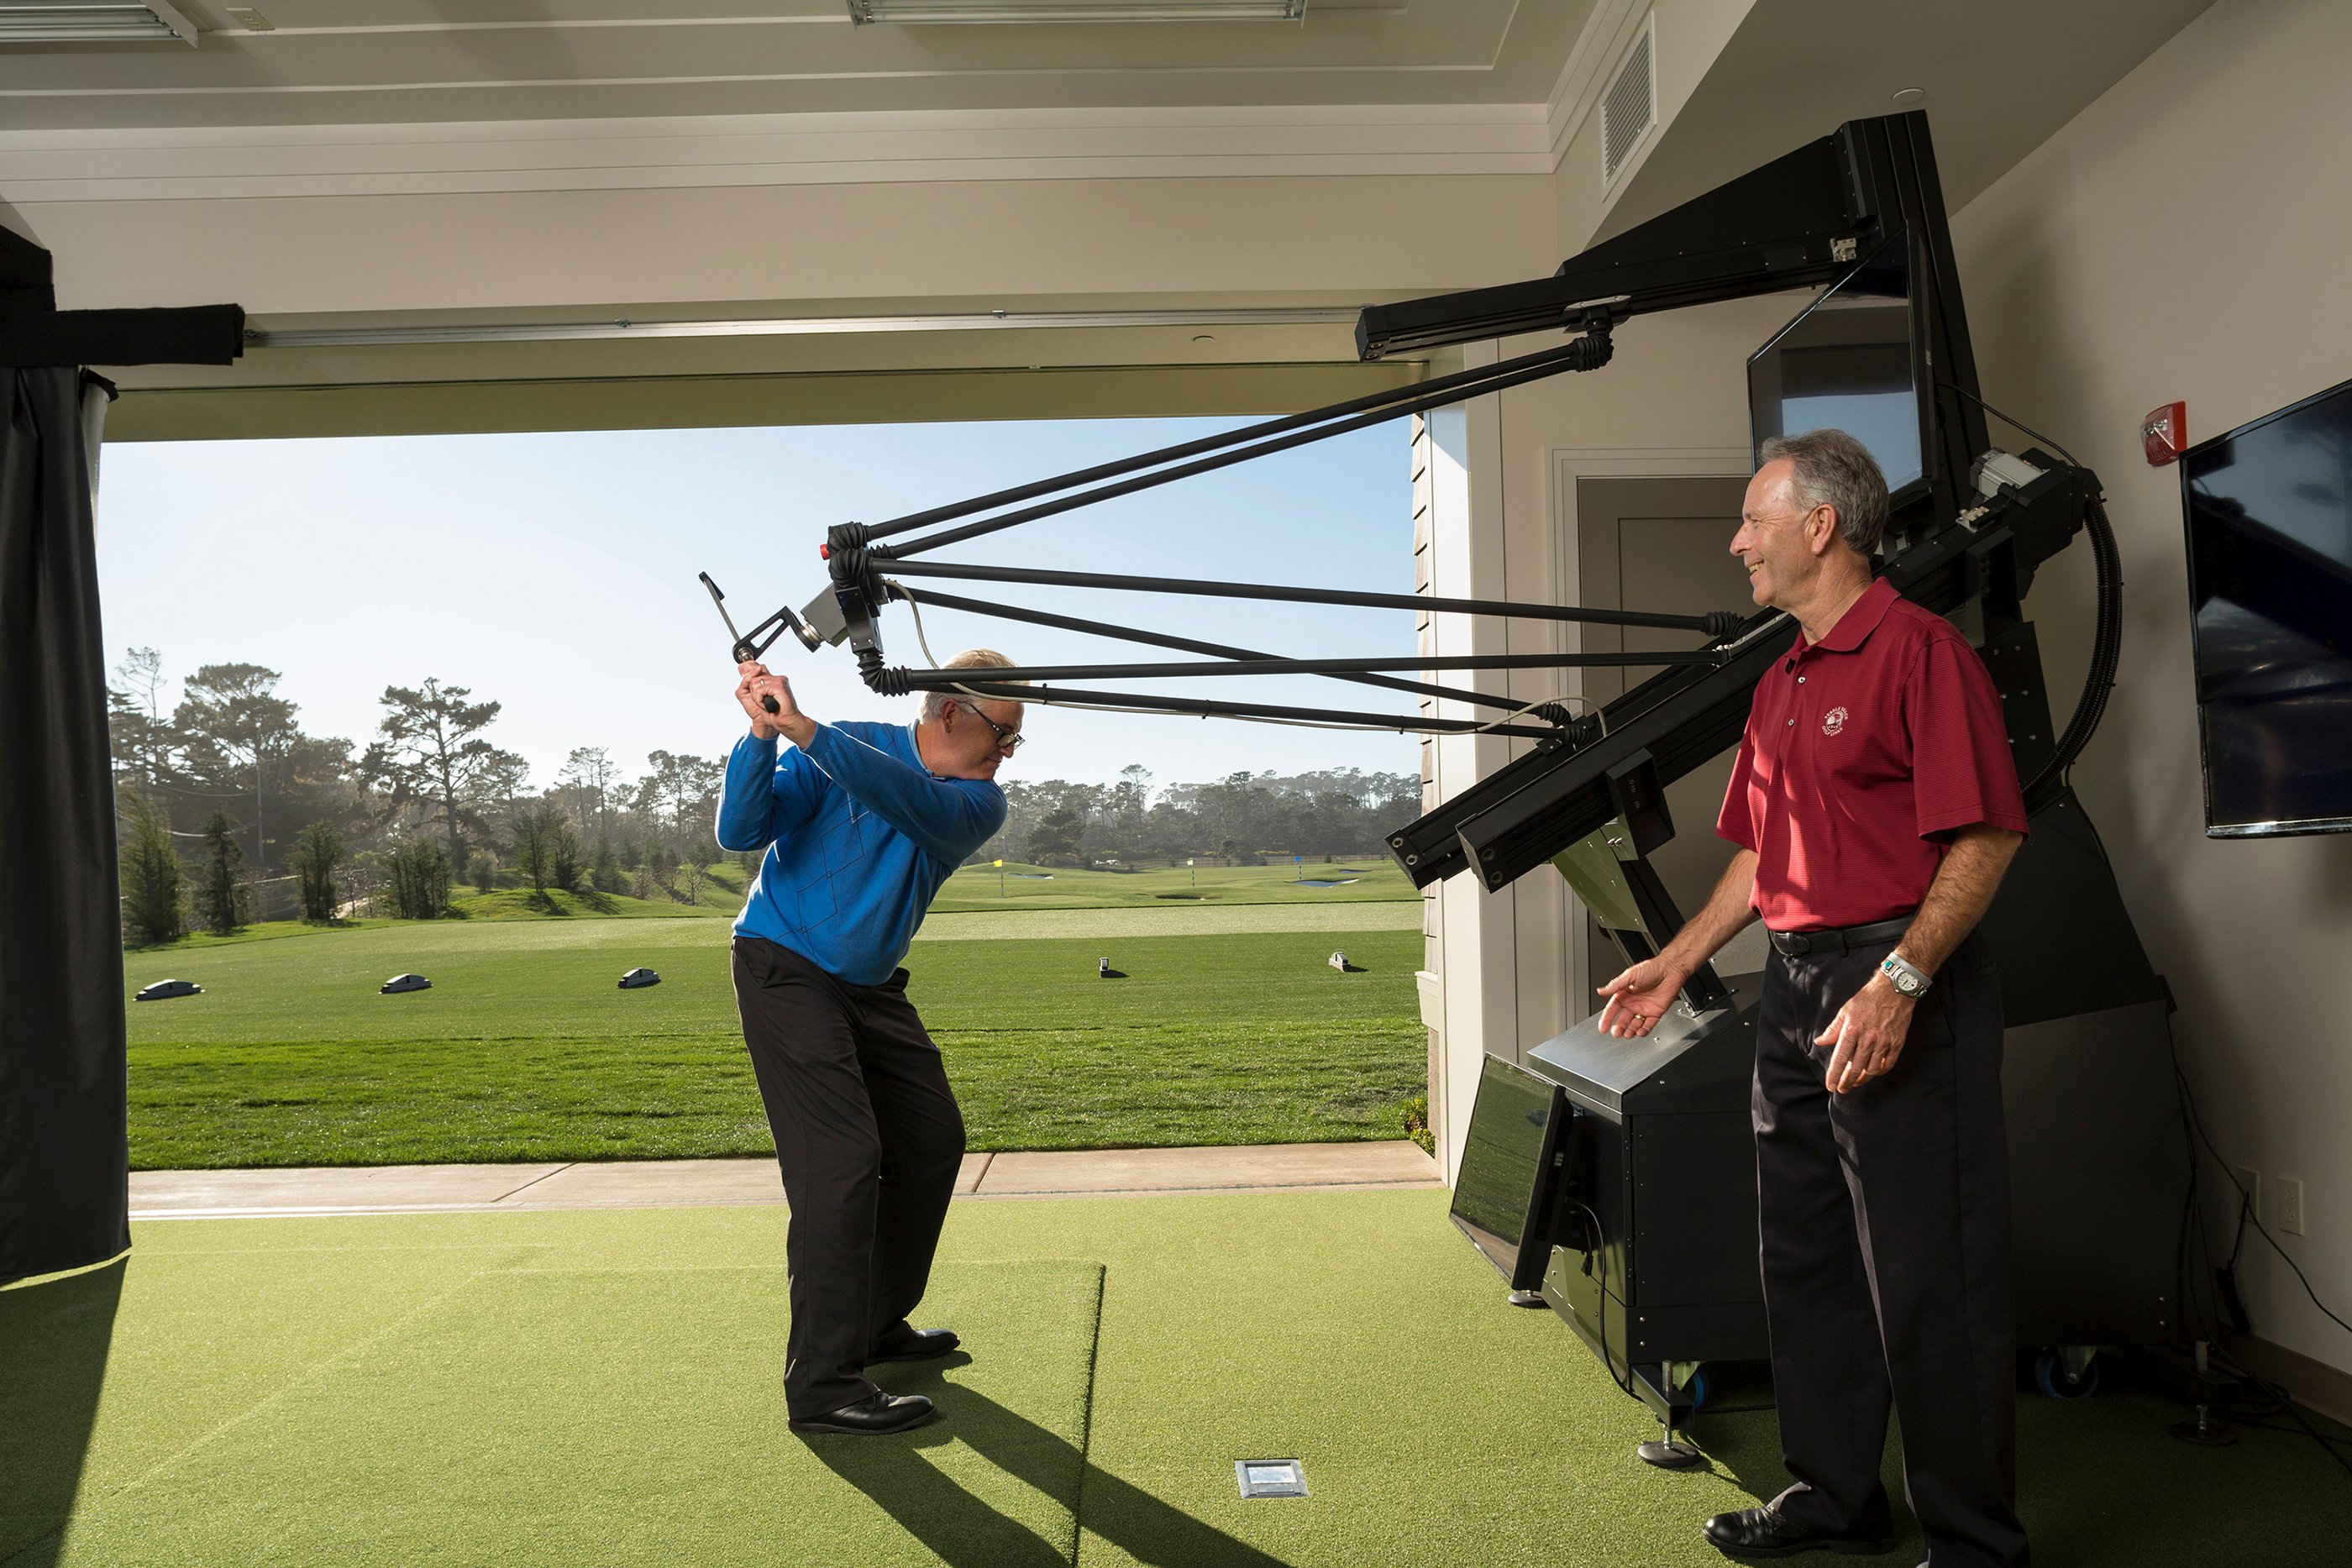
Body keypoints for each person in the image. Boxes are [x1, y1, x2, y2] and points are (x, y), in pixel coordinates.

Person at [1595, 429, 2031, 1568]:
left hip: (1894, 979)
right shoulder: (1781, 674)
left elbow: (1984, 833)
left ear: (1821, 525)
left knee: (1928, 1268)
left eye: (1754, 518)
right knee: (1806, 1256)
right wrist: (1682, 955)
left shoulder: (1922, 653)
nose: (1738, 540)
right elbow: (1758, 853)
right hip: (1793, 987)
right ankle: (1837, 1493)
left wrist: (1899, 981)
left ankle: (1976, 1540)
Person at [717, 648, 1025, 1437]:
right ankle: (823, 1386)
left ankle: (876, 1323)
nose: (1007, 753)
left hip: (872, 984)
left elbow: (901, 797)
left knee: (930, 1140)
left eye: (1015, 741)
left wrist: (809, 731)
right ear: (951, 712)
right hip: (785, 967)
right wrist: (761, 736)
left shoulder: (975, 803)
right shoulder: (838, 745)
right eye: (1003, 734)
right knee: (842, 1160)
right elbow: (741, 830)